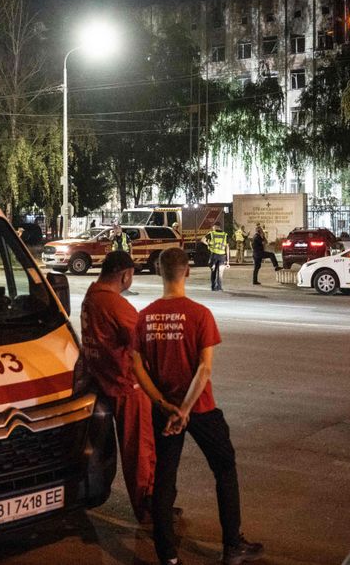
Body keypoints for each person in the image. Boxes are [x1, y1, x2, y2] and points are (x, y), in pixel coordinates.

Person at [132, 248, 264, 565]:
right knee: (224, 469)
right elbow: (204, 369)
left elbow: (137, 366)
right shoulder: (199, 314)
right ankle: (232, 545)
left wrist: (165, 405)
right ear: (187, 271)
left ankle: (167, 555)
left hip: (165, 412)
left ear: (159, 271)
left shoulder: (144, 316)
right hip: (201, 408)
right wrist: (186, 409)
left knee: (165, 479)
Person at [80, 251, 156, 524]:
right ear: (125, 275)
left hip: (103, 381)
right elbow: (142, 338)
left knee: (133, 448)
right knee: (140, 450)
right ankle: (148, 507)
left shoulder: (92, 296)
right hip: (127, 384)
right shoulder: (114, 304)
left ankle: (150, 502)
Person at [205, 222, 229, 291]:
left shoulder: (211, 233)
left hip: (214, 255)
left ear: (216, 226)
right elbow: (227, 247)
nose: (213, 228)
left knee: (213, 271)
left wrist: (208, 244)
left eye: (213, 227)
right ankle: (219, 287)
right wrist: (228, 261)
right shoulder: (225, 235)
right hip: (222, 256)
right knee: (220, 272)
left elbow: (203, 240)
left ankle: (213, 287)